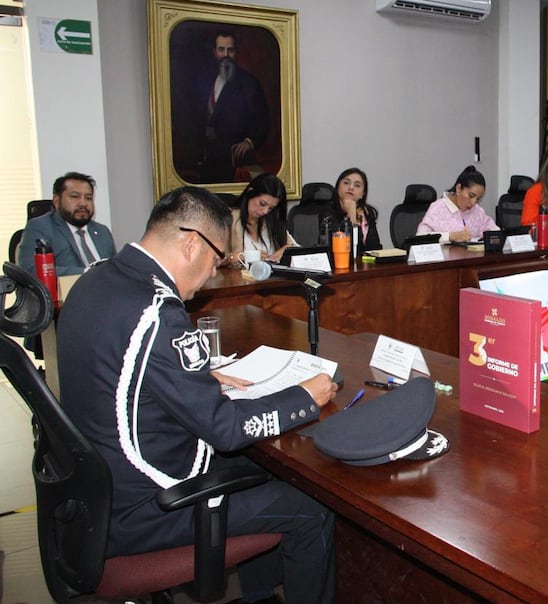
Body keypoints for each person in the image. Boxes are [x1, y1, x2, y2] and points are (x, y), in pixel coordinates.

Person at [57, 187, 338, 604]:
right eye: (216, 257)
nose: (212, 272)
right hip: (146, 506)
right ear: (192, 243)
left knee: (270, 470)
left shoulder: (97, 278)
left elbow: (122, 370)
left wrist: (197, 379)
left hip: (96, 493)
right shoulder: (156, 310)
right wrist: (303, 396)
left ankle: (259, 595)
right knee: (312, 506)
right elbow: (224, 430)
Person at [196, 31, 270, 184]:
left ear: (236, 52)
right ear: (215, 52)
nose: (226, 54)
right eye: (221, 49)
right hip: (208, 157)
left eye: (230, 50)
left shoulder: (248, 82)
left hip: (233, 157)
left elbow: (262, 118)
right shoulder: (207, 79)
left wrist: (250, 141)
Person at [19, 171, 117, 276]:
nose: (83, 203)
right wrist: (87, 273)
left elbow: (116, 268)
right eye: (75, 197)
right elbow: (31, 270)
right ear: (56, 201)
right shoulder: (40, 228)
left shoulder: (102, 231)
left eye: (88, 198)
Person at [416, 166, 498, 243]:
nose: (473, 202)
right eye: (471, 196)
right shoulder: (438, 208)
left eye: (478, 199)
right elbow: (420, 237)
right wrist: (450, 236)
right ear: (459, 188)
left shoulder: (477, 211)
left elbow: (495, 231)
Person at [229, 173, 297, 263]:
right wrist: (243, 256)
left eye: (271, 208)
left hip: (274, 276)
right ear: (250, 193)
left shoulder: (271, 220)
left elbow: (298, 249)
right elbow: (217, 258)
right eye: (262, 204)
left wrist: (288, 250)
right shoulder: (229, 219)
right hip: (239, 276)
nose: (265, 211)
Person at [322, 167, 382, 251]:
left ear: (362, 194)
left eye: (357, 185)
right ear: (338, 186)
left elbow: (375, 248)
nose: (351, 187)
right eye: (346, 183)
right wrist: (351, 213)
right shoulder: (327, 211)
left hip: (365, 263)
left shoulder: (366, 212)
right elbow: (346, 248)